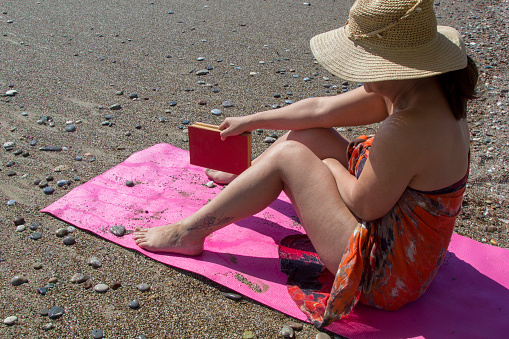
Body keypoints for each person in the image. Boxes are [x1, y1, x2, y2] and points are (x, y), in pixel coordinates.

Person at [134, 0, 478, 328]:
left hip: (387, 274)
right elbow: (319, 111)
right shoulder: (425, 87)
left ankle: (189, 233)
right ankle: (255, 176)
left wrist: (328, 165)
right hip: (402, 235)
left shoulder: (406, 127)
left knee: (291, 156)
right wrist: (252, 121)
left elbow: (365, 204)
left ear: (391, 62)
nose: (360, 71)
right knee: (309, 136)